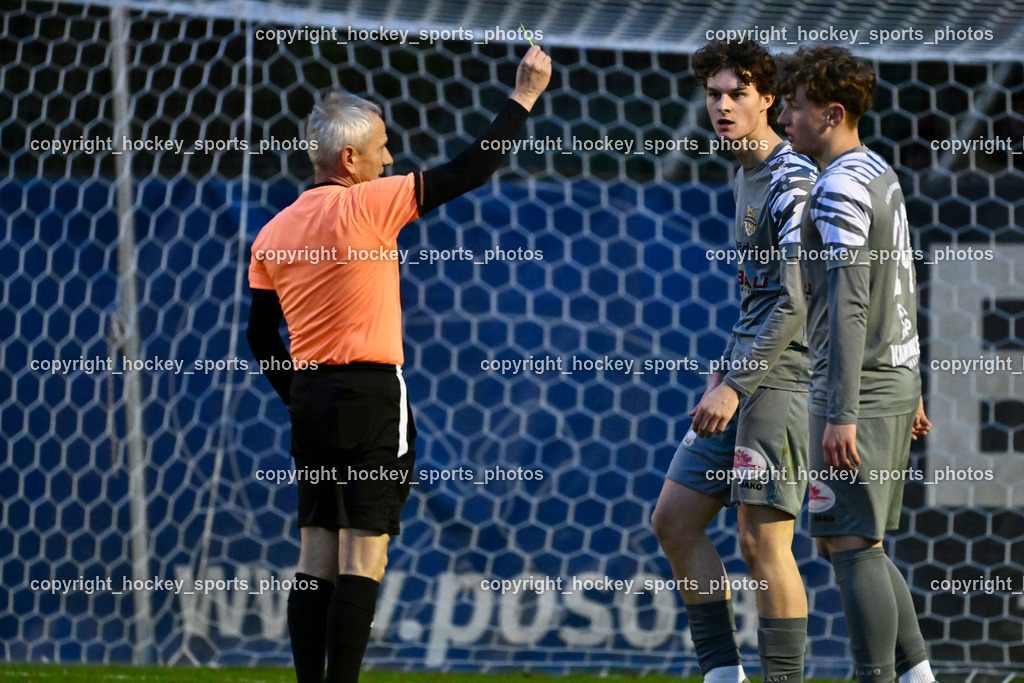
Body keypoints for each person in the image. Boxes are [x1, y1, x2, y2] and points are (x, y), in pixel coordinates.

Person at [246, 46, 551, 683]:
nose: (391, 158)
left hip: (311, 399)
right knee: (364, 553)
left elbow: (259, 335)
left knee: (315, 553)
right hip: (370, 393)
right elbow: (471, 168)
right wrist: (523, 97)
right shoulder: (370, 203)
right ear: (350, 159)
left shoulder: (272, 231)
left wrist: (297, 393)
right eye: (383, 147)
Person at [651, 38, 817, 683]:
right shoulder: (745, 173)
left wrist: (737, 382)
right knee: (674, 519)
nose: (721, 106)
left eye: (736, 94)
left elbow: (799, 298)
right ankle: (724, 674)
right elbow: (760, 293)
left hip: (786, 375)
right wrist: (727, 366)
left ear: (767, 101)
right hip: (744, 370)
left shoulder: (793, 178)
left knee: (761, 542)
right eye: (713, 94)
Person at [774, 45, 935, 683]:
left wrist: (840, 411)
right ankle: (917, 677)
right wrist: (913, 383)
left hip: (856, 391)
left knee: (850, 549)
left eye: (797, 106)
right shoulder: (877, 172)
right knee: (856, 541)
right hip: (887, 379)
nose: (786, 118)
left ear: (832, 112)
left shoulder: (838, 186)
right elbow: (903, 287)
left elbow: (849, 302)